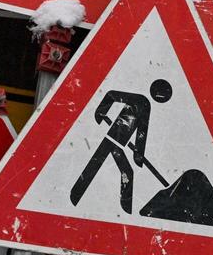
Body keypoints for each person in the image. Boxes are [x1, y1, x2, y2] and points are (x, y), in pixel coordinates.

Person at [70, 79, 172, 214]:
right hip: (112, 138)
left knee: (111, 167)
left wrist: (138, 154)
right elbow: (111, 95)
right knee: (107, 166)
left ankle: (124, 209)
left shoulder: (145, 104)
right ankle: (76, 195)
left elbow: (142, 132)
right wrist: (100, 112)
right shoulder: (140, 100)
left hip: (118, 143)